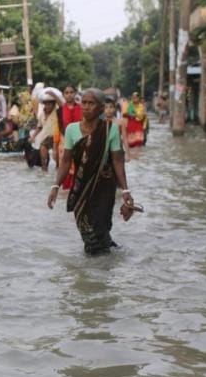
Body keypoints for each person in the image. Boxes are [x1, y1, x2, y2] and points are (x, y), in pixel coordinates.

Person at [47, 88, 135, 256]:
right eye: (84, 103)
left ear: (101, 108)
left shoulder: (110, 130)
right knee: (87, 228)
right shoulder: (72, 130)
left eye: (91, 103)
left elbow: (117, 160)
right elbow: (66, 161)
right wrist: (55, 186)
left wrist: (125, 191)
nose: (86, 107)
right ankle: (104, 258)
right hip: (81, 189)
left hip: (104, 188)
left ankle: (98, 271)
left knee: (99, 227)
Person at [31, 93, 62, 172]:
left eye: (50, 104)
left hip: (57, 136)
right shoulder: (41, 114)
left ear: (53, 105)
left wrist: (53, 95)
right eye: (46, 104)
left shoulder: (57, 112)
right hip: (45, 137)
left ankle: (58, 171)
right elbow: (39, 127)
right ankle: (44, 172)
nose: (47, 106)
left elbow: (61, 105)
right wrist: (33, 136)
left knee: (58, 160)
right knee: (43, 154)